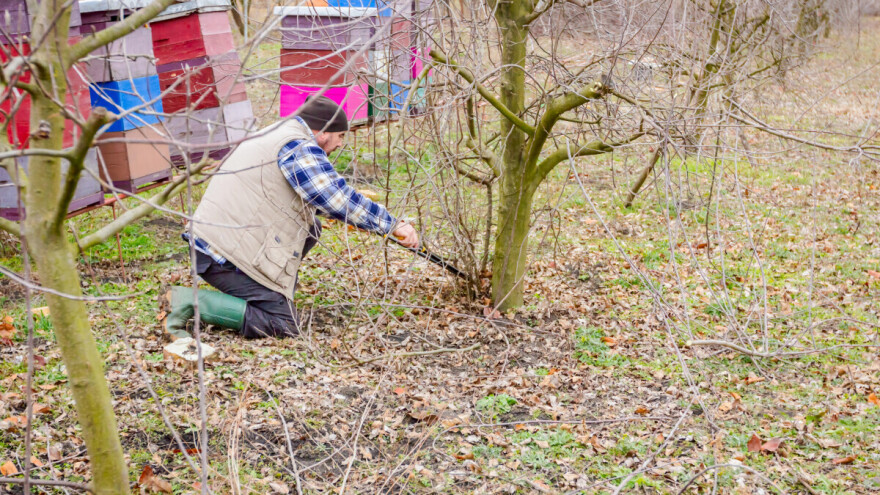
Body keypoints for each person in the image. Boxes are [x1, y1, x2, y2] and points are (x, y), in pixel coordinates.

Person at [160, 96, 419, 340]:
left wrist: (360, 220)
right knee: (284, 324)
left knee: (310, 228)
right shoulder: (296, 146)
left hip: (215, 242)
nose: (341, 143)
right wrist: (391, 224)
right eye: (340, 136)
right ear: (324, 132)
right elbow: (335, 198)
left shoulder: (281, 133)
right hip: (220, 253)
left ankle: (272, 293)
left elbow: (318, 199)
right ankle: (189, 303)